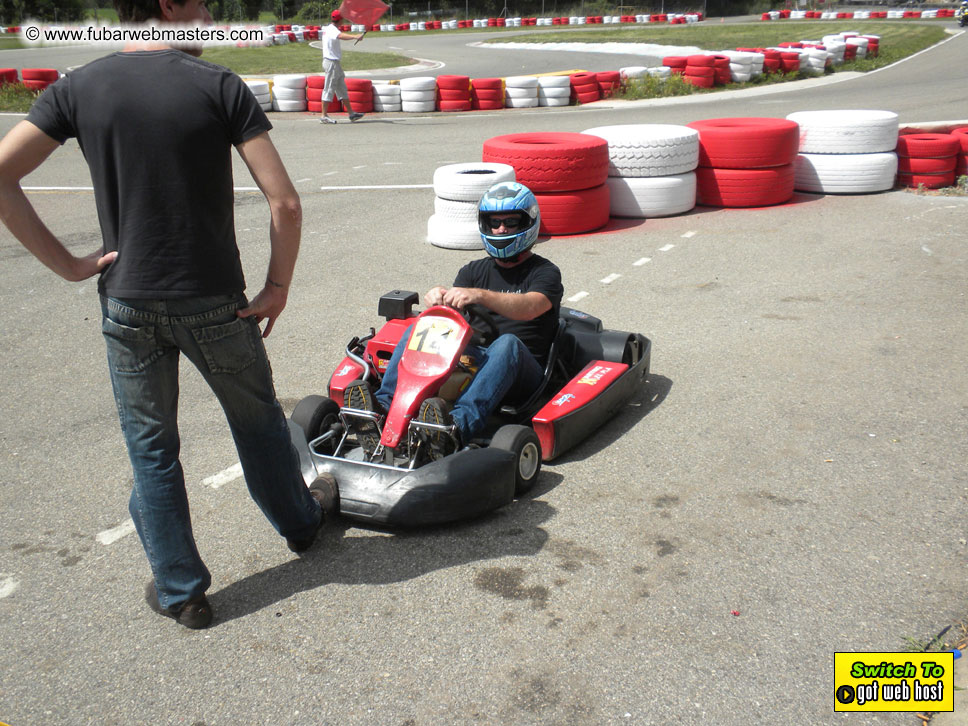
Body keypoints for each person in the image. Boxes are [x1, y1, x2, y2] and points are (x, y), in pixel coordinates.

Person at [0, 0, 335, 630]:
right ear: (170, 8)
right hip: (216, 300)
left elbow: (1, 173)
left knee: (152, 449)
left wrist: (70, 266)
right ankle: (300, 523)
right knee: (258, 424)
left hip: (128, 299)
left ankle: (183, 591)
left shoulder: (79, 87)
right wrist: (277, 286)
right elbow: (285, 204)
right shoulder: (218, 86)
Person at [344, 181, 563, 457]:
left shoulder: (545, 272)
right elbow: (451, 321)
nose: (501, 230)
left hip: (524, 375)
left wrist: (481, 296)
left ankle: (456, 427)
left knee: (507, 343)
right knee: (421, 325)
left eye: (510, 222)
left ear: (527, 223)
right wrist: (438, 301)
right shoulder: (473, 271)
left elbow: (532, 306)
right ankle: (384, 408)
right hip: (474, 361)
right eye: (494, 223)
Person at [320, 9, 365, 124]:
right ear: (340, 20)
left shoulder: (329, 28)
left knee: (341, 88)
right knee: (329, 88)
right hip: (331, 63)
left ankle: (351, 114)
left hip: (334, 63)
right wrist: (355, 36)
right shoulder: (332, 30)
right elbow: (340, 36)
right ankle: (324, 115)